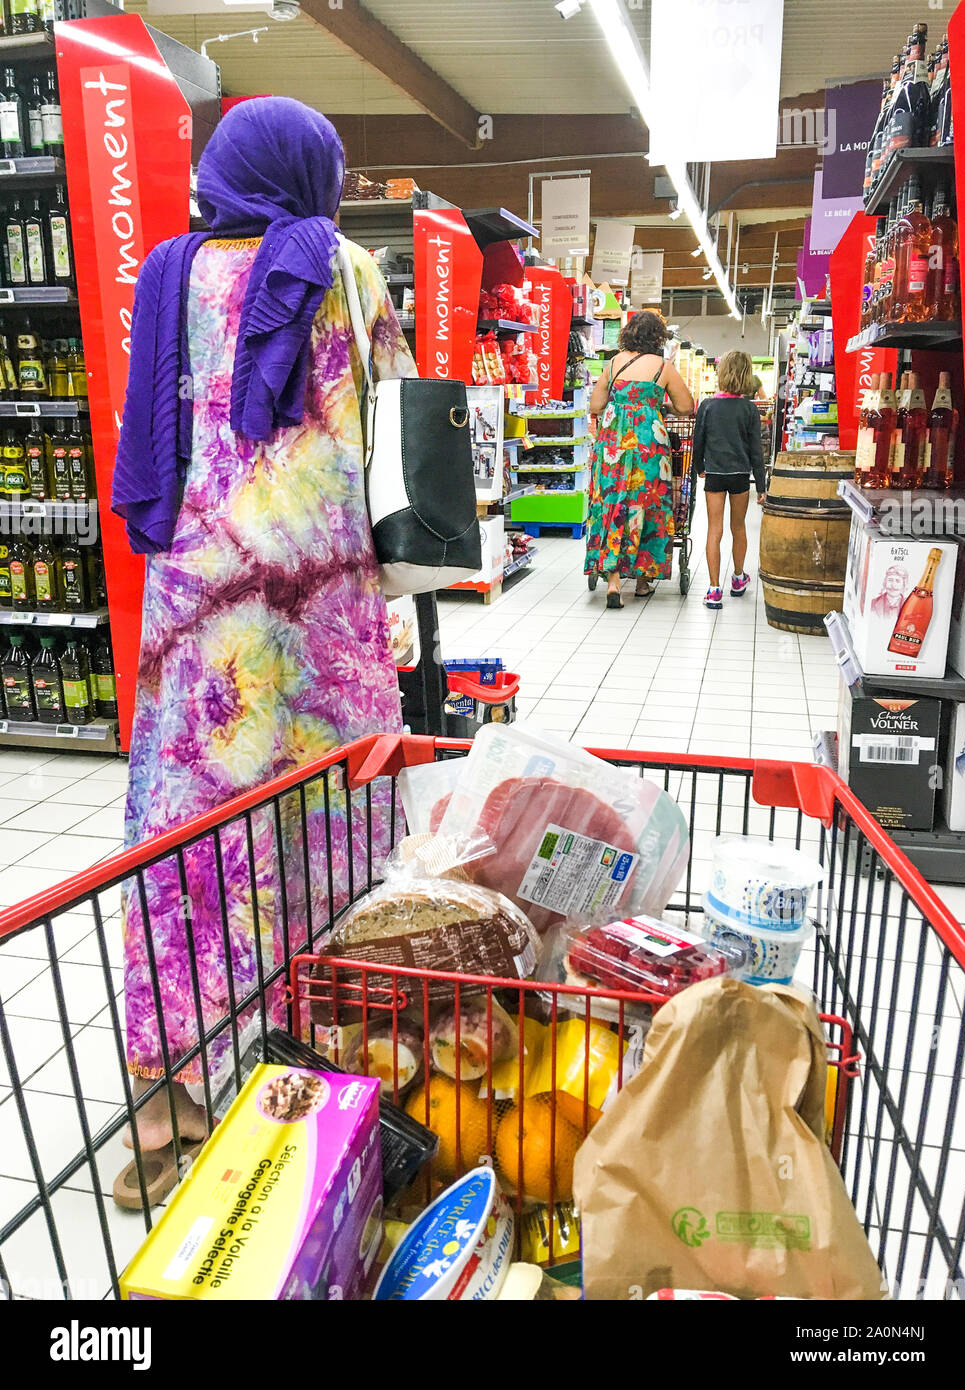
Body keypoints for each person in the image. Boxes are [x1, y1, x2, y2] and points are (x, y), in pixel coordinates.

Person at [110, 98, 415, 1205]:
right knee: (320, 837)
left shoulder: (167, 275)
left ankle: (166, 1108)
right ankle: (315, 1078)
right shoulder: (347, 269)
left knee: (189, 845)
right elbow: (386, 434)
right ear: (313, 173)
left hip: (197, 616)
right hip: (322, 611)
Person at [585, 310, 694, 608]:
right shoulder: (663, 366)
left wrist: (619, 400)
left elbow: (596, 403)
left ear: (628, 334)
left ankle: (614, 582)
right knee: (647, 504)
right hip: (649, 443)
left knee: (612, 502)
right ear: (657, 337)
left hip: (613, 445)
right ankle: (643, 582)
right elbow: (687, 406)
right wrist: (659, 403)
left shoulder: (613, 364)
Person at [692, 350, 766, 610]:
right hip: (739, 476)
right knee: (738, 527)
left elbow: (697, 441)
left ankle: (713, 589)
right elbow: (756, 450)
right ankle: (737, 578)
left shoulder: (707, 406)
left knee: (714, 530)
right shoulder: (749, 409)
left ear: (721, 373)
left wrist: (698, 467)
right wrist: (762, 485)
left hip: (714, 473)